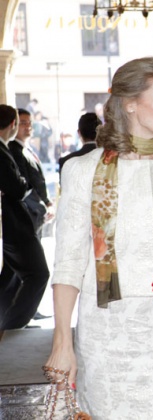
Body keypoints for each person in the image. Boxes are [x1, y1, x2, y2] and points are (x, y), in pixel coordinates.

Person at [44, 57, 153, 418]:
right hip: (106, 339)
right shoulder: (81, 172)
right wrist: (63, 341)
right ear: (130, 104)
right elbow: (69, 264)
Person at [0, 104, 50, 333]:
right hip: (17, 222)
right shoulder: (4, 150)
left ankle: (6, 320)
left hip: (17, 223)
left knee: (10, 276)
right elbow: (17, 186)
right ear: (13, 125)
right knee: (38, 273)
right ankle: (12, 324)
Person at [9, 108, 56, 238]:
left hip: (36, 214)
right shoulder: (14, 150)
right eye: (23, 122)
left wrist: (47, 202)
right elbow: (25, 184)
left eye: (30, 122)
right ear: (14, 125)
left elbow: (38, 179)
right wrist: (42, 208)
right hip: (28, 213)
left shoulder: (28, 149)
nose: (28, 126)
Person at [58, 112, 101, 186]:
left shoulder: (66, 161)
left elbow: (65, 190)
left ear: (79, 133)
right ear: (101, 131)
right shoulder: (111, 159)